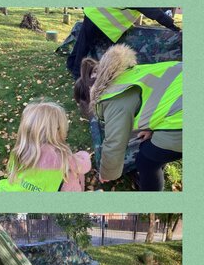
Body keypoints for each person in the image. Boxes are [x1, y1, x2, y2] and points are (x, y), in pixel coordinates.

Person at [74, 44, 182, 191]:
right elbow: (160, 96)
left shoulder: (112, 99)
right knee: (150, 148)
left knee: (146, 162)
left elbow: (114, 143)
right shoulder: (123, 75)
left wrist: (107, 173)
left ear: (89, 97)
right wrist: (152, 129)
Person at [0, 102, 91, 192]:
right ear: (57, 130)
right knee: (71, 177)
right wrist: (83, 154)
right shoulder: (61, 157)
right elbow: (85, 166)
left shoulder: (18, 152)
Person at [67, 8, 181, 79]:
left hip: (96, 13)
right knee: (84, 46)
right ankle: (78, 75)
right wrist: (171, 25)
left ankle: (71, 65)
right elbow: (153, 12)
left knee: (82, 44)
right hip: (99, 17)